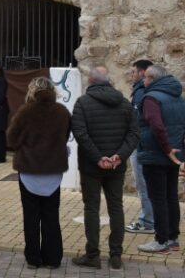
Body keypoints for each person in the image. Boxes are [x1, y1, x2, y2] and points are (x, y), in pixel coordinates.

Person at [71, 66, 139, 270]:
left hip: (91, 165)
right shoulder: (124, 103)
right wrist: (120, 156)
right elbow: (134, 134)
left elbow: (80, 134)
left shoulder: (82, 103)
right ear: (108, 80)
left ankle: (92, 255)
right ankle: (115, 256)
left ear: (90, 80)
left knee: (91, 208)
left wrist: (99, 158)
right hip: (116, 167)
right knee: (116, 207)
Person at [8, 77, 71, 269]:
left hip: (29, 170)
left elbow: (12, 138)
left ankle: (33, 259)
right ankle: (53, 259)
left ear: (32, 91)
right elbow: (66, 135)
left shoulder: (25, 111)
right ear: (52, 90)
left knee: (31, 217)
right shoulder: (62, 111)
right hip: (53, 171)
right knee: (51, 216)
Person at [136, 65, 185, 254]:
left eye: (146, 78)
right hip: (174, 155)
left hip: (156, 155)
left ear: (154, 79)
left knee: (158, 199)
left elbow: (156, 126)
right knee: (171, 197)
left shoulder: (151, 98)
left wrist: (166, 149)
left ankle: (161, 240)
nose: (143, 81)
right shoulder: (177, 97)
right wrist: (177, 153)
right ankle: (173, 238)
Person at [125, 59, 156, 234]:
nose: (131, 75)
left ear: (142, 72)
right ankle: (153, 219)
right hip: (148, 143)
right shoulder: (148, 90)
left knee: (143, 184)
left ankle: (148, 222)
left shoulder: (141, 93)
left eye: (133, 72)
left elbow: (138, 121)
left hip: (141, 144)